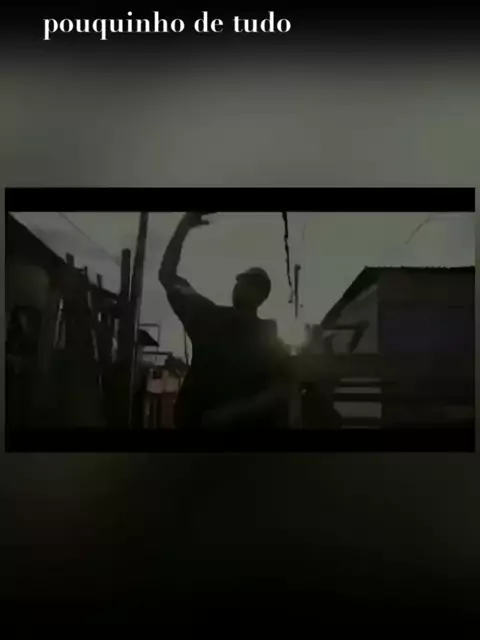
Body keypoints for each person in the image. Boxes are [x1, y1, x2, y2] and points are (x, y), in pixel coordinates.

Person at [159, 211, 292, 429]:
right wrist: (183, 227)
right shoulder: (208, 316)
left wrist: (231, 413)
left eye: (249, 284)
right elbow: (167, 275)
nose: (240, 287)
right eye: (241, 282)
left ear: (262, 295)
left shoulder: (266, 338)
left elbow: (281, 389)